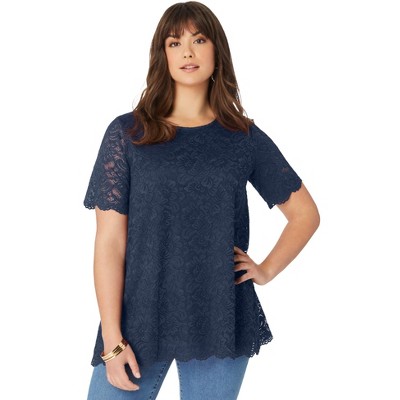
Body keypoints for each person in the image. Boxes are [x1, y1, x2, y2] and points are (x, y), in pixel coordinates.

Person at [83, 2, 320, 399]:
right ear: (162, 55)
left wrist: (265, 270)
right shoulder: (128, 134)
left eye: (199, 40)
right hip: (140, 317)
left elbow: (305, 214)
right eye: (175, 43)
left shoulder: (242, 138)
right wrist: (112, 337)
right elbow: (110, 242)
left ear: (216, 51)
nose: (188, 52)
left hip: (219, 316)